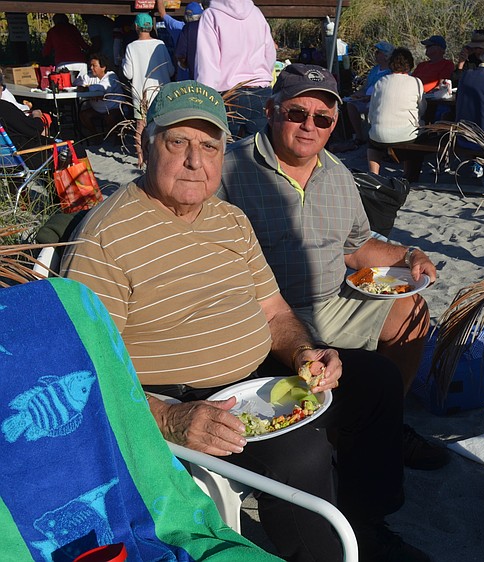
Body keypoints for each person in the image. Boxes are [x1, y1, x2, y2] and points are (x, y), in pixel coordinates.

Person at [60, 79, 427, 562]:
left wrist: (303, 352)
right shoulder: (105, 238)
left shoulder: (229, 219)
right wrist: (170, 417)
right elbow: (86, 371)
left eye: (209, 145)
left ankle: (366, 529)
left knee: (375, 380)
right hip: (183, 399)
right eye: (178, 142)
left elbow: (274, 312)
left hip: (257, 380)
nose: (195, 160)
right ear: (145, 146)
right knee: (300, 452)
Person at [217, 64, 449, 471]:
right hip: (264, 311)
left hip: (332, 300)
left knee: (411, 312)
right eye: (296, 113)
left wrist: (409, 256)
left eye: (322, 118)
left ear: (334, 123)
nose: (309, 126)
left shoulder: (338, 174)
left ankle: (386, 422)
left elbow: (357, 247)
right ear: (271, 111)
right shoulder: (231, 169)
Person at [195, 0, 276, 138]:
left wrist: (204, 99)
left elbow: (208, 64)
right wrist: (262, 74)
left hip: (229, 95)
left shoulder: (211, 15)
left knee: (226, 153)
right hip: (261, 92)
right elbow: (270, 54)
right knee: (263, 151)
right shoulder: (256, 13)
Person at [367, 48, 426, 175]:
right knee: (417, 136)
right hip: (406, 134)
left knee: (372, 146)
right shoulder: (416, 82)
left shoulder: (380, 82)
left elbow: (371, 113)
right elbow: (422, 108)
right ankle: (408, 174)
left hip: (378, 134)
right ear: (410, 65)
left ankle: (373, 174)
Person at [122, 13, 174, 120]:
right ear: (150, 27)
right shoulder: (160, 44)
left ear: (136, 26)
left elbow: (128, 74)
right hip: (162, 94)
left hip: (141, 97)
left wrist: (122, 61)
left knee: (141, 127)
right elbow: (171, 71)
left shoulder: (131, 47)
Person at [343, 41, 393, 144]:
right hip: (365, 97)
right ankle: (359, 136)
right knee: (350, 105)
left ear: (386, 56)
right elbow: (365, 86)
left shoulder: (391, 72)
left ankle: (373, 137)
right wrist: (358, 94)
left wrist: (369, 97)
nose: (375, 54)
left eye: (378, 52)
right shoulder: (374, 69)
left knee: (372, 107)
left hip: (377, 100)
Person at [74, 53, 123, 143]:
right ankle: (96, 136)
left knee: (110, 118)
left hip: (113, 108)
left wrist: (88, 88)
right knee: (83, 115)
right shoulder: (90, 76)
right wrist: (82, 86)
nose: (91, 68)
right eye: (91, 65)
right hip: (97, 109)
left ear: (103, 67)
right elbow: (78, 82)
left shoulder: (111, 76)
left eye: (94, 65)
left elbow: (103, 87)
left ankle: (115, 136)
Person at [155, 0, 203, 80]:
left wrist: (159, 1)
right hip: (201, 76)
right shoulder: (206, 30)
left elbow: (162, 14)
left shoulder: (178, 27)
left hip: (182, 79)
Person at [174, 3, 203, 80]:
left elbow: (180, 55)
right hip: (216, 78)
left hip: (195, 77)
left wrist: (188, 65)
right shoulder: (211, 25)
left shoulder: (188, 28)